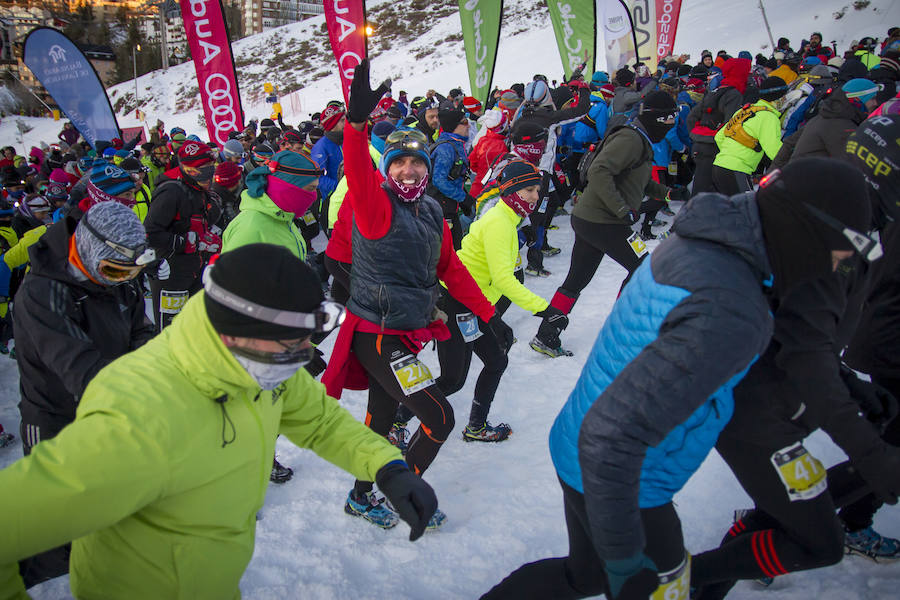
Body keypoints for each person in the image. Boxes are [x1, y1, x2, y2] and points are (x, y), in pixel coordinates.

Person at [481, 157, 874, 600]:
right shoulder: (731, 302)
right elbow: (610, 440)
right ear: (804, 230)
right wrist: (628, 562)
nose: (840, 264)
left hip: (579, 448)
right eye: (842, 249)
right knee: (626, 581)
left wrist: (845, 383)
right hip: (626, 478)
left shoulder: (708, 242)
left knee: (586, 577)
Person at [0, 243, 438, 598]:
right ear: (236, 332)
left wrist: (387, 466)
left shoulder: (264, 366)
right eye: (291, 343)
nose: (303, 356)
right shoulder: (139, 415)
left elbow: (321, 422)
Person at [691, 146, 900, 598]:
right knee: (818, 541)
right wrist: (871, 455)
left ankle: (695, 578)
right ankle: (670, 578)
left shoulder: (851, 224)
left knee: (793, 519)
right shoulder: (838, 233)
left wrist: (852, 386)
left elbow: (800, 330)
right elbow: (805, 352)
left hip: (771, 401)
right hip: (755, 413)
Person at [320, 60, 494, 530]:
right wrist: (356, 125)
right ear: (387, 167)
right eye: (399, 161)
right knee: (440, 419)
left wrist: (488, 315)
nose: (410, 169)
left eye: (418, 161)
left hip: (404, 330)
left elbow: (450, 268)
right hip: (379, 335)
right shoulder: (374, 205)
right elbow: (358, 169)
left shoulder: (432, 211)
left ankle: (360, 497)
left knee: (380, 420)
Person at [13, 201, 156, 588]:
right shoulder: (42, 295)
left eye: (131, 273)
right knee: (57, 532)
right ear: (90, 251)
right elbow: (83, 371)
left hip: (112, 412)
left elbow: (141, 329)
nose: (122, 280)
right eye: (114, 271)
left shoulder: (116, 276)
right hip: (57, 422)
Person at [394, 160, 546, 444]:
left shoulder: (508, 219)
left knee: (496, 361)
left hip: (473, 305)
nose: (536, 197)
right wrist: (545, 309)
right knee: (452, 379)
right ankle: (396, 422)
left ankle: (476, 426)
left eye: (537, 190)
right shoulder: (499, 223)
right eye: (529, 190)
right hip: (455, 302)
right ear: (512, 191)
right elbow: (504, 279)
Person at [536, 92, 685, 357]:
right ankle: (619, 332)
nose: (672, 126)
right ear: (661, 119)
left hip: (591, 219)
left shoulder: (639, 138)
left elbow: (637, 180)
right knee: (643, 269)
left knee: (576, 280)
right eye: (671, 120)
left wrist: (668, 193)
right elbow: (599, 171)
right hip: (604, 221)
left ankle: (546, 335)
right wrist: (622, 209)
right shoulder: (631, 139)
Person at [144, 141, 222, 331]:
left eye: (210, 169)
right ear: (188, 170)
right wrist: (183, 242)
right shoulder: (171, 191)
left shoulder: (199, 189)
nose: (207, 177)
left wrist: (205, 235)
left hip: (194, 267)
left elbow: (194, 221)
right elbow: (149, 232)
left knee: (196, 323)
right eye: (202, 171)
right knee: (172, 327)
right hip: (171, 270)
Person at [711, 76, 788, 195]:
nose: (786, 99)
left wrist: (731, 154)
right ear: (778, 97)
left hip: (719, 166)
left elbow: (719, 137)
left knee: (729, 205)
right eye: (784, 96)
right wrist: (793, 163)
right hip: (737, 169)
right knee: (747, 205)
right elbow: (773, 149)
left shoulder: (744, 111)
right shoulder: (769, 117)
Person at [687, 57, 752, 195]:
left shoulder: (714, 91)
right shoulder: (734, 94)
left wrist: (697, 136)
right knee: (722, 195)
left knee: (701, 191)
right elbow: (731, 124)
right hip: (716, 148)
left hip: (700, 145)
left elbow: (692, 117)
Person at [429, 105, 474, 249]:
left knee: (456, 245)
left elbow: (454, 178)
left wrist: (463, 199)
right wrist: (463, 198)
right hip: (441, 208)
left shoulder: (455, 144)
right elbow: (439, 180)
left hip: (449, 205)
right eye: (464, 122)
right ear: (454, 126)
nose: (468, 126)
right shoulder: (446, 148)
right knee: (451, 248)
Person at [310, 100, 346, 202]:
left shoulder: (346, 139)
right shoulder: (321, 147)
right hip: (335, 198)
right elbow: (317, 177)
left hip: (353, 193)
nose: (345, 123)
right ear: (333, 124)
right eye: (342, 120)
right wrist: (340, 188)